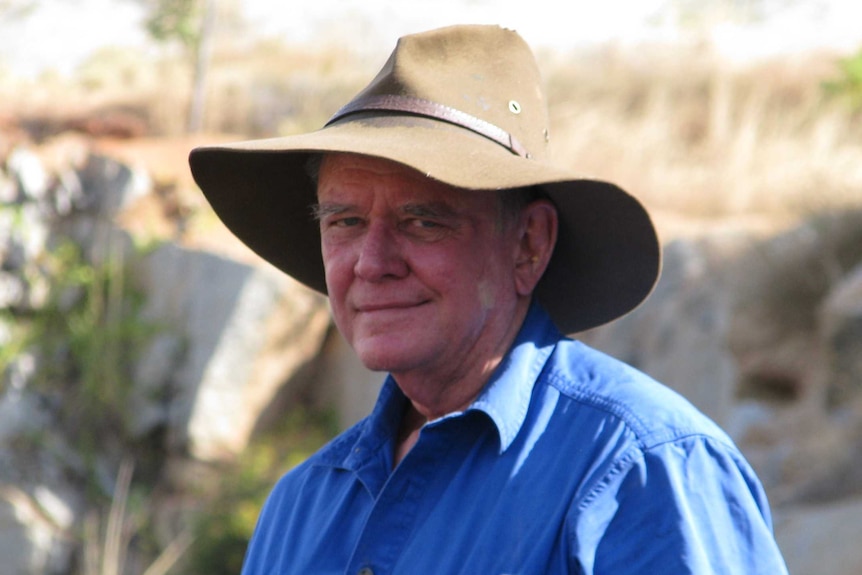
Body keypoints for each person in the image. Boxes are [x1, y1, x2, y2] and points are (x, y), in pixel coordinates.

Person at [189, 24, 788, 575]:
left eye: (422, 221)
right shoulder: (302, 505)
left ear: (529, 244)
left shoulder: (644, 468)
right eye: (344, 222)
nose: (371, 263)